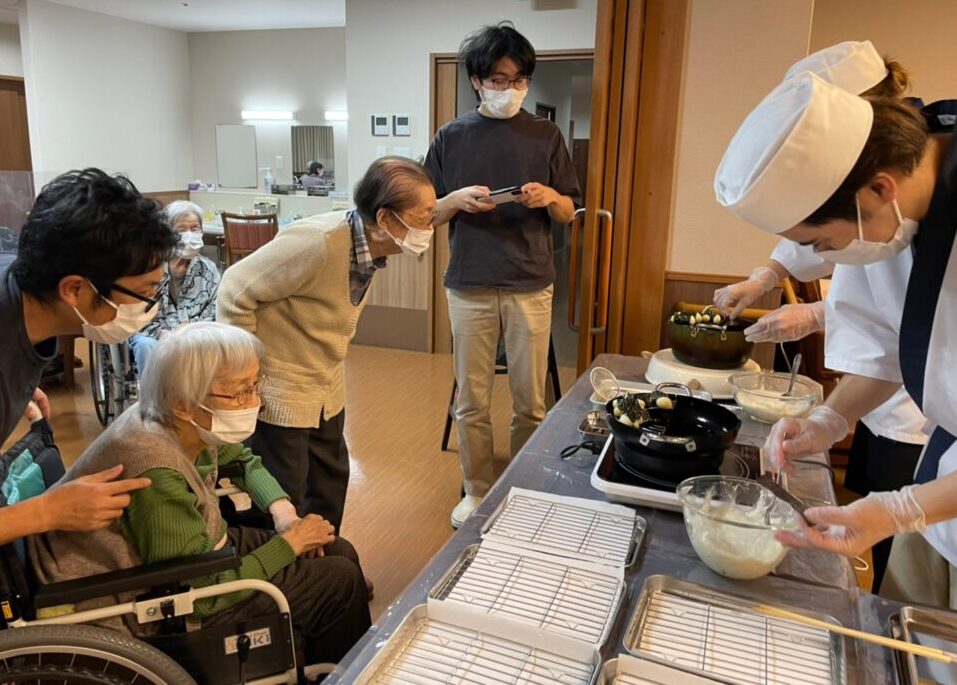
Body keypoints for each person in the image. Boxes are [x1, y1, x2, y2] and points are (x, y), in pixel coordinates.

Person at [714, 67, 957, 608]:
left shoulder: (888, 218)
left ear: (880, 188)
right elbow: (887, 351)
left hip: (938, 494)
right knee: (911, 637)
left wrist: (900, 511)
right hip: (942, 485)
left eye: (822, 242)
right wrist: (830, 419)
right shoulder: (889, 222)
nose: (821, 258)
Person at [30, 322, 370, 662]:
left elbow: (240, 458)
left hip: (195, 552)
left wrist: (283, 512)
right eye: (240, 392)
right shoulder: (155, 472)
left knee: (337, 549)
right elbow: (201, 594)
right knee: (339, 582)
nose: (254, 402)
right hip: (153, 599)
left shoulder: (172, 418)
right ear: (183, 402)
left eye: (255, 386)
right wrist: (289, 545)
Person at [217, 156, 435, 532]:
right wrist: (246, 376)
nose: (430, 227)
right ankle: (284, 579)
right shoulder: (317, 242)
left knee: (330, 484)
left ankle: (327, 568)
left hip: (325, 387)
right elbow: (234, 288)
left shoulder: (368, 245)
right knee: (284, 494)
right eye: (424, 217)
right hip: (280, 389)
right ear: (385, 219)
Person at [425, 22, 581, 528]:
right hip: (468, 283)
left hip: (531, 283)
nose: (509, 89)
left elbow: (568, 211)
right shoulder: (451, 136)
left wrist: (550, 197)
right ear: (476, 81)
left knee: (530, 404)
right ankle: (477, 493)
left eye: (518, 80)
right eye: (497, 79)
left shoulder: (546, 135)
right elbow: (427, 213)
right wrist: (453, 199)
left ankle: (526, 489)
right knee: (471, 402)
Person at [0, 168, 176, 544]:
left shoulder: (18, 282)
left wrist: (20, 381)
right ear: (75, 289)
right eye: (144, 292)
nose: (151, 307)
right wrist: (48, 510)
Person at [128, 200, 220, 373]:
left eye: (195, 228)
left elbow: (215, 309)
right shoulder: (149, 269)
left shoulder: (208, 269)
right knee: (146, 345)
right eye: (181, 230)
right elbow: (134, 313)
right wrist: (163, 334)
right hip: (154, 334)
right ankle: (153, 397)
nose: (190, 235)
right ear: (167, 235)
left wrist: (191, 330)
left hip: (194, 335)